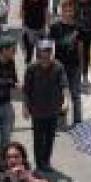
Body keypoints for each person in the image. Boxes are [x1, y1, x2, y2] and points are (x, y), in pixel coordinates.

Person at [22, 39, 68, 173]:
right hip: (37, 110)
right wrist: (25, 107)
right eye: (43, 52)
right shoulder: (31, 68)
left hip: (53, 110)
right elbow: (27, 90)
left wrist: (66, 101)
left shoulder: (58, 67)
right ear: (38, 53)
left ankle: (46, 161)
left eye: (48, 52)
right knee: (38, 138)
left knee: (49, 138)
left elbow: (64, 85)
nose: (45, 56)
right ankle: (39, 163)